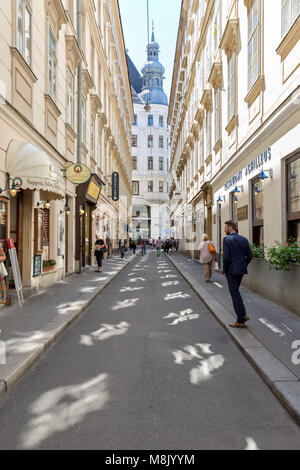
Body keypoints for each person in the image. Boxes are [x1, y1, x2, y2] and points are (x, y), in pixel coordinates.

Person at [223, 220, 253, 328]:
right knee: (236, 292)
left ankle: (241, 318)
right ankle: (243, 315)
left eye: (225, 227)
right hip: (240, 270)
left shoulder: (227, 239)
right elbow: (250, 256)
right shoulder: (244, 239)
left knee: (234, 293)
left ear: (230, 228)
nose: (224, 229)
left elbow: (226, 258)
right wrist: (243, 265)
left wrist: (225, 270)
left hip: (231, 270)